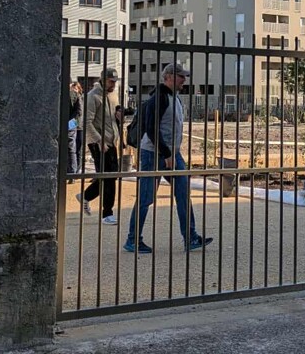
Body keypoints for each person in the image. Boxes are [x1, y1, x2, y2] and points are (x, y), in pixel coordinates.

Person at [124, 62, 212, 253]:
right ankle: (132, 240)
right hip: (153, 154)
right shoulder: (160, 98)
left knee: (183, 191)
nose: (184, 80)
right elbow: (151, 128)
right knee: (146, 197)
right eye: (181, 76)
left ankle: (190, 237)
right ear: (170, 76)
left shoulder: (176, 98)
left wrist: (171, 153)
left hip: (172, 153)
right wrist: (166, 153)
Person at [76, 68, 122, 223]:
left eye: (115, 81)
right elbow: (86, 122)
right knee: (108, 177)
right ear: (103, 80)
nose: (114, 84)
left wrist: (119, 118)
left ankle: (86, 196)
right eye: (111, 81)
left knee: (110, 176)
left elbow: (113, 117)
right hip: (99, 143)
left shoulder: (114, 95)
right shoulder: (92, 97)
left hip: (110, 141)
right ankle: (107, 213)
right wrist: (98, 140)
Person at [66, 81, 84, 174]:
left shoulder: (76, 96)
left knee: (75, 149)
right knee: (72, 149)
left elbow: (79, 112)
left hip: (76, 125)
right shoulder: (76, 96)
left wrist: (69, 125)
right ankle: (73, 171)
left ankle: (74, 170)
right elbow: (79, 112)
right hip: (74, 125)